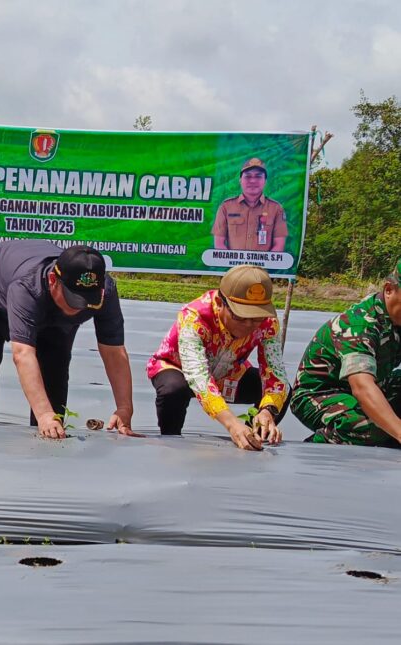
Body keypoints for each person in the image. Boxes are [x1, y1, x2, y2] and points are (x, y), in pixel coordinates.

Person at [0, 241, 135, 440]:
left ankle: (52, 434)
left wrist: (124, 407)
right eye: (73, 298)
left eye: (88, 300)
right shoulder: (27, 287)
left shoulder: (106, 292)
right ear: (52, 279)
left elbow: (114, 352)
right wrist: (44, 414)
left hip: (48, 311)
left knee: (55, 365)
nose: (80, 307)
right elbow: (23, 354)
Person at [146, 265, 288, 451]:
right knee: (174, 390)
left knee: (280, 394)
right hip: (179, 369)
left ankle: (255, 437)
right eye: (240, 316)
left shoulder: (269, 323)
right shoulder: (194, 317)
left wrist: (267, 410)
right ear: (221, 303)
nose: (248, 325)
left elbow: (276, 375)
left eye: (256, 318)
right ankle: (171, 441)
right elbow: (198, 377)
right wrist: (232, 424)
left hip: (228, 373)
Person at [291, 258, 401, 447]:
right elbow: (362, 388)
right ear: (389, 289)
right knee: (367, 426)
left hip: (374, 386)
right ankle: (318, 445)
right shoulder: (359, 325)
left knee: (384, 424)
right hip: (320, 395)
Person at [212, 158, 288, 252]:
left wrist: (263, 265)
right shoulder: (226, 207)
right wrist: (235, 265)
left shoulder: (276, 208)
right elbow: (219, 243)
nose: (252, 181)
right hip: (233, 266)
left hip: (264, 266)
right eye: (248, 176)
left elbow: (279, 245)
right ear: (240, 180)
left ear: (265, 181)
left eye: (258, 176)